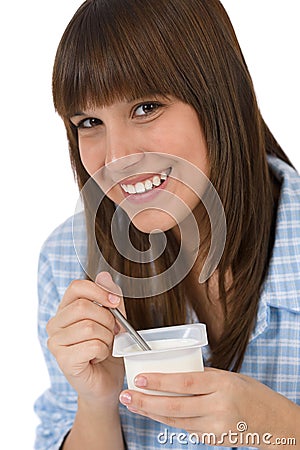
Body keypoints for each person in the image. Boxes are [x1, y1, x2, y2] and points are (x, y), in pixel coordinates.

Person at [34, 0, 300, 449]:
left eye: (146, 107)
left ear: (219, 96)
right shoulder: (66, 259)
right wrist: (96, 402)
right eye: (90, 122)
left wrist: (281, 427)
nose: (116, 158)